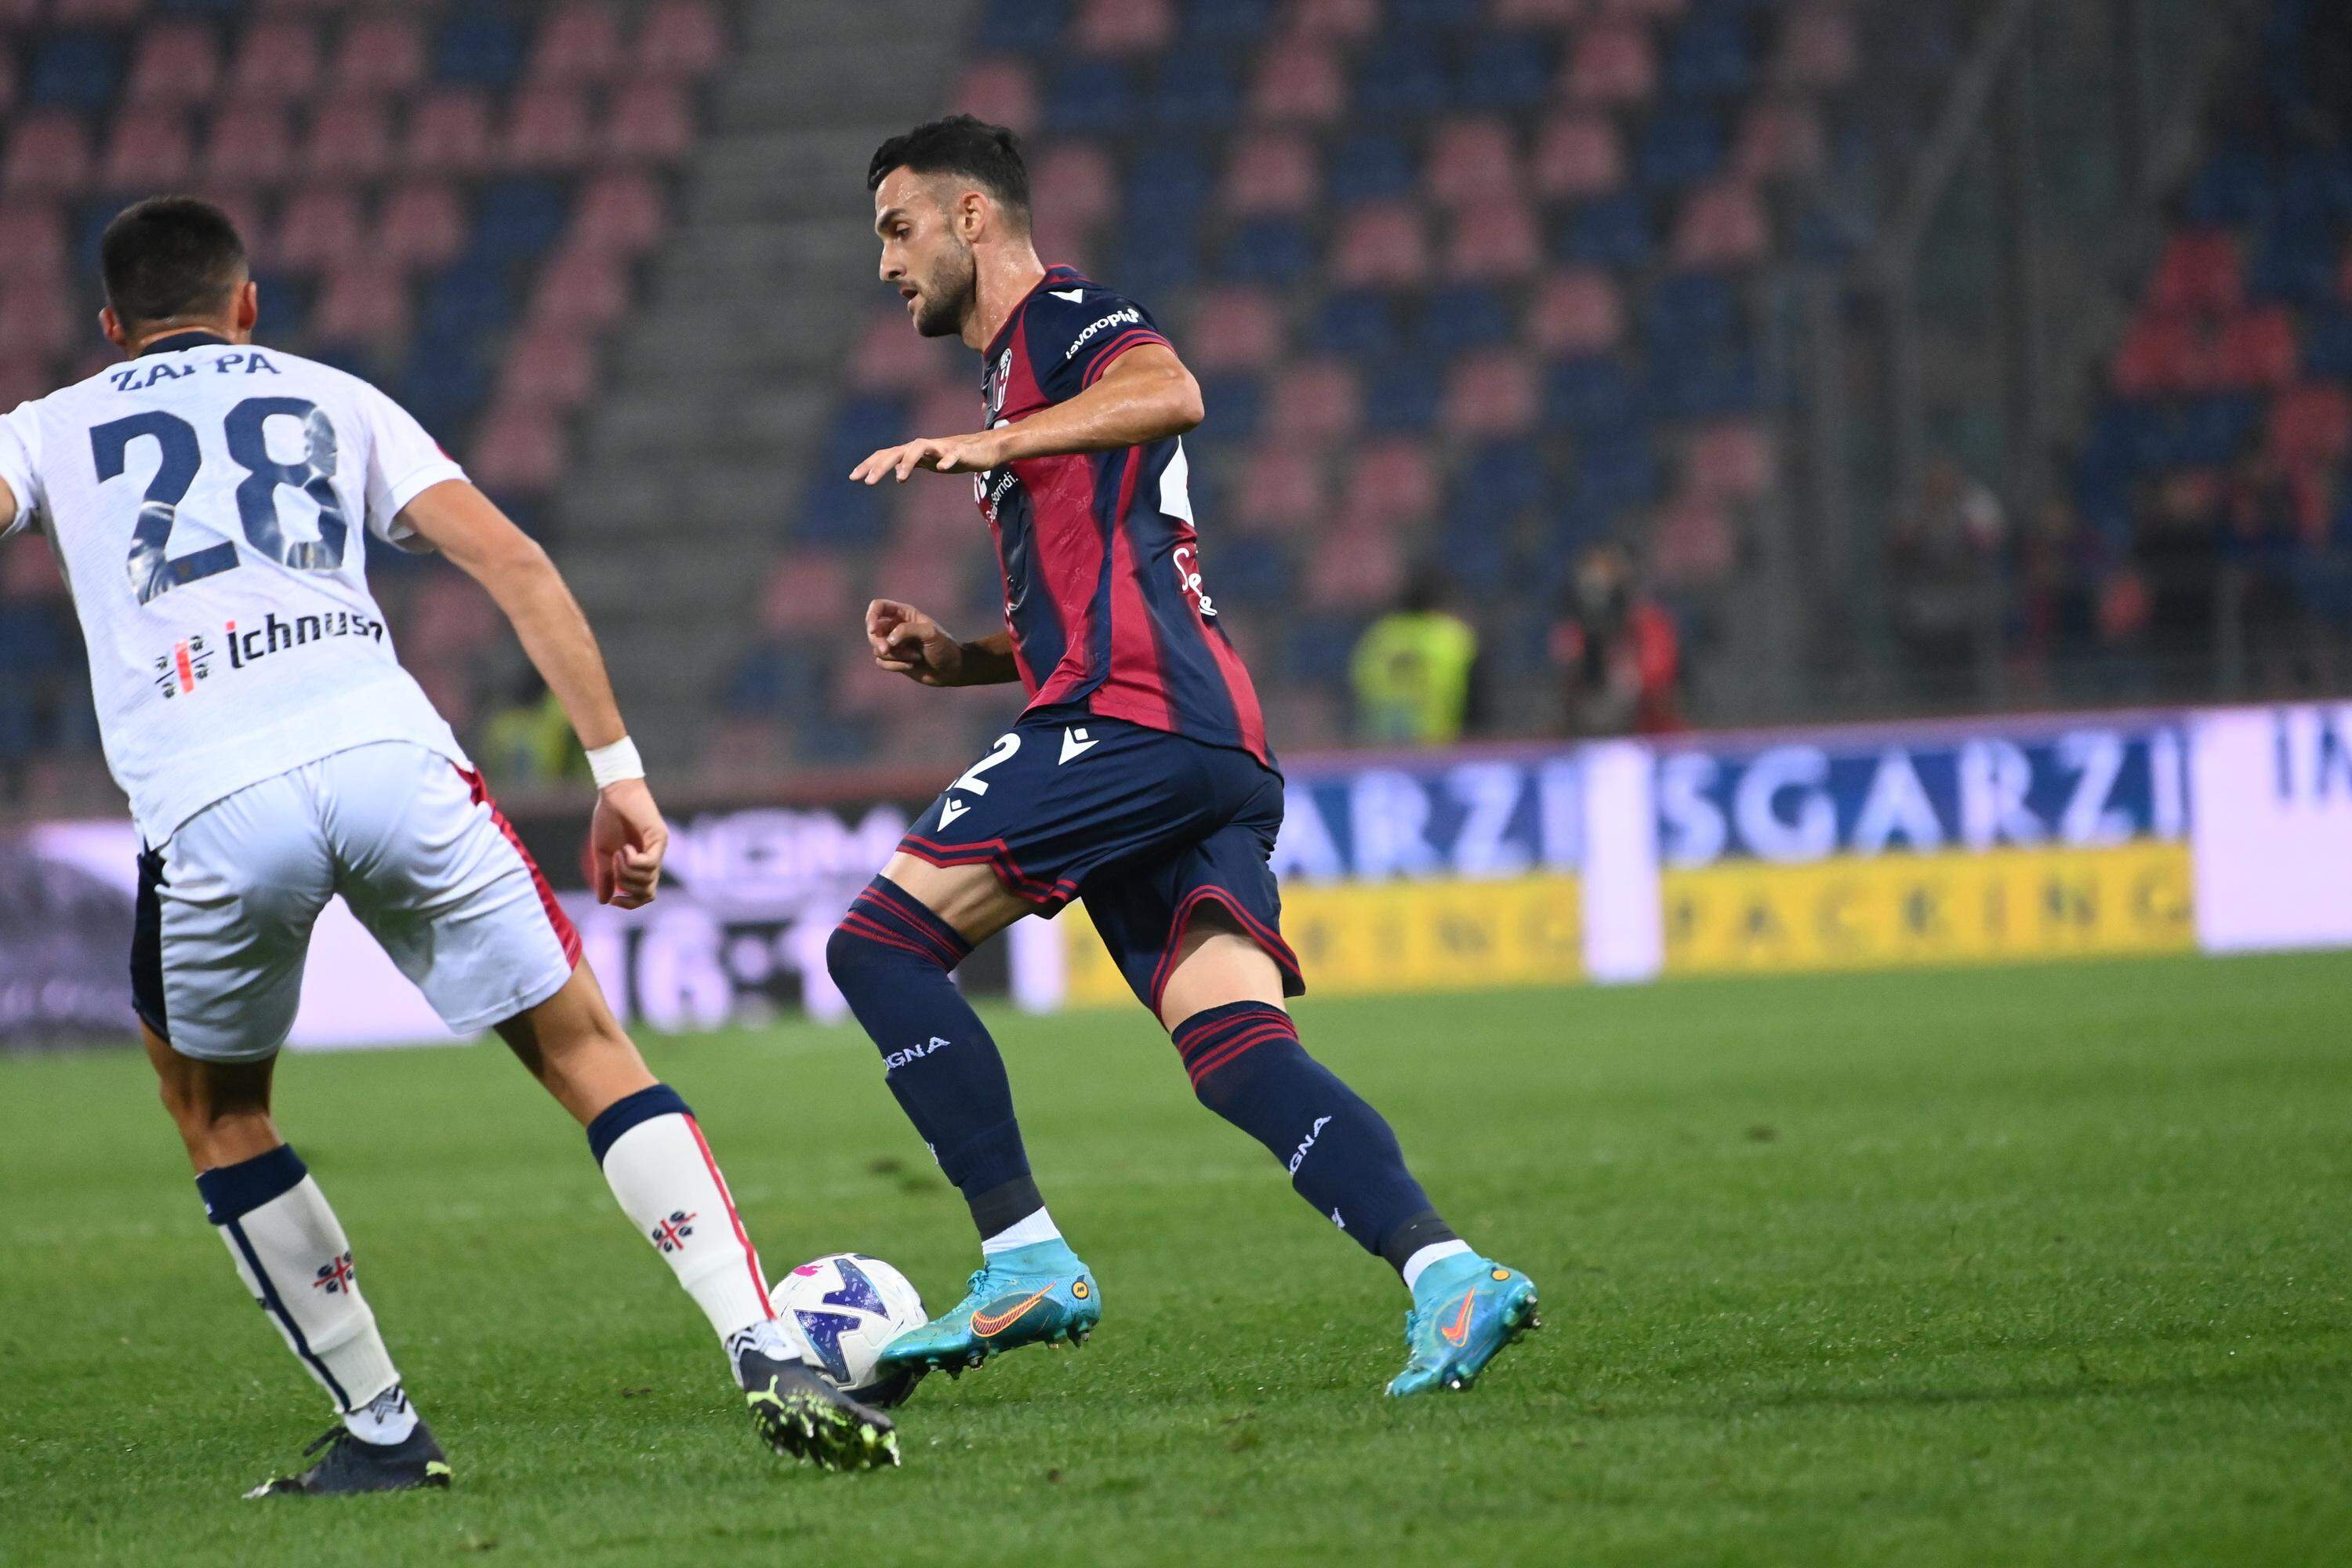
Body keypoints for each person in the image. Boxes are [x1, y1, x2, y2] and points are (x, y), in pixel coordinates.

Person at [0, 197, 898, 1494]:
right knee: (588, 1049)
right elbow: (520, 564)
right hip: (391, 755)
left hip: (211, 796)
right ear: (249, 305)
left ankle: (380, 1427)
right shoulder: (333, 396)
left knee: (218, 1108)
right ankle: (763, 1343)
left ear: (107, 327)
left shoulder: (46, 428)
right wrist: (618, 776)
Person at [832, 118, 1538, 1399]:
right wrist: (964, 659)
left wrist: (995, 448)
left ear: (971, 218)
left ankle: (1023, 1255)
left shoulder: (1064, 317)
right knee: (1233, 1048)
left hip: (1137, 712)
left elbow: (1176, 391)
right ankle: (1451, 1273)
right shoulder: (1012, 374)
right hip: (1194, 727)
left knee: (877, 944)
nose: (885, 263)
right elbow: (1103, 574)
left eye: (898, 228)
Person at [1551, 543, 1682, 735]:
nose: (1595, 586)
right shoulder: (1573, 631)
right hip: (1587, 736)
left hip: (1652, 735)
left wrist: (1625, 670)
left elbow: (1658, 685)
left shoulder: (1649, 624)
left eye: (1605, 579)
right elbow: (1568, 689)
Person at [1348, 568, 1483, 746]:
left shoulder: (1379, 637)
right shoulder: (1453, 638)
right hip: (1441, 752)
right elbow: (1477, 701)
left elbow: (1357, 691)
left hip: (1383, 752)